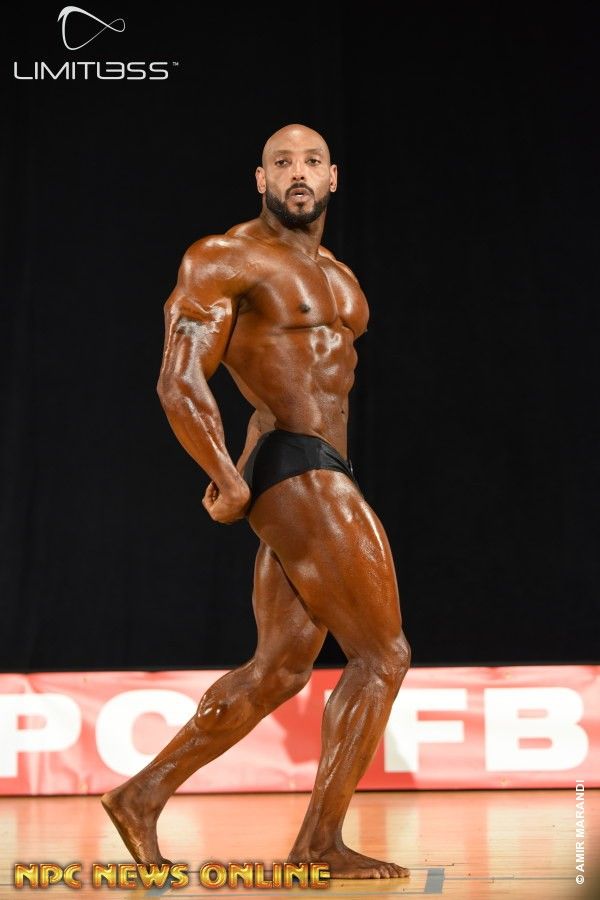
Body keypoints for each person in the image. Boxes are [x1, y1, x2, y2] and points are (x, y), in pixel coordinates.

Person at [101, 123, 411, 879]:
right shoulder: (225, 257)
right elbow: (179, 379)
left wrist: (250, 470)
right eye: (282, 162)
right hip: (298, 470)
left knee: (278, 670)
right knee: (383, 655)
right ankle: (319, 845)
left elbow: (291, 394)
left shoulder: (339, 275)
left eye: (311, 161)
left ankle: (141, 795)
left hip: (311, 464)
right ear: (260, 179)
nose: (297, 172)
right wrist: (230, 477)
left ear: (333, 177)